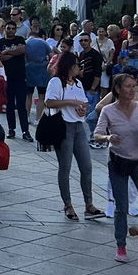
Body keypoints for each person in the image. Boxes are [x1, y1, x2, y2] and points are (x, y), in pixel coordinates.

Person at [94, 73, 138, 262]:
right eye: (127, 86)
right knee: (121, 206)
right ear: (118, 89)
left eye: (134, 86)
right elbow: (97, 134)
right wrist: (108, 138)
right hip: (118, 160)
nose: (132, 90)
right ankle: (121, 245)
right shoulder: (109, 111)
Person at [44, 51, 102, 221]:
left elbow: (83, 101)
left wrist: (82, 107)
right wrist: (71, 102)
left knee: (87, 166)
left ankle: (89, 204)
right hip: (63, 126)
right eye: (77, 66)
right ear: (70, 66)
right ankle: (68, 204)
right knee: (65, 167)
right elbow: (49, 102)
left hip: (78, 125)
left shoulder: (77, 83)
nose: (79, 69)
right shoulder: (56, 82)